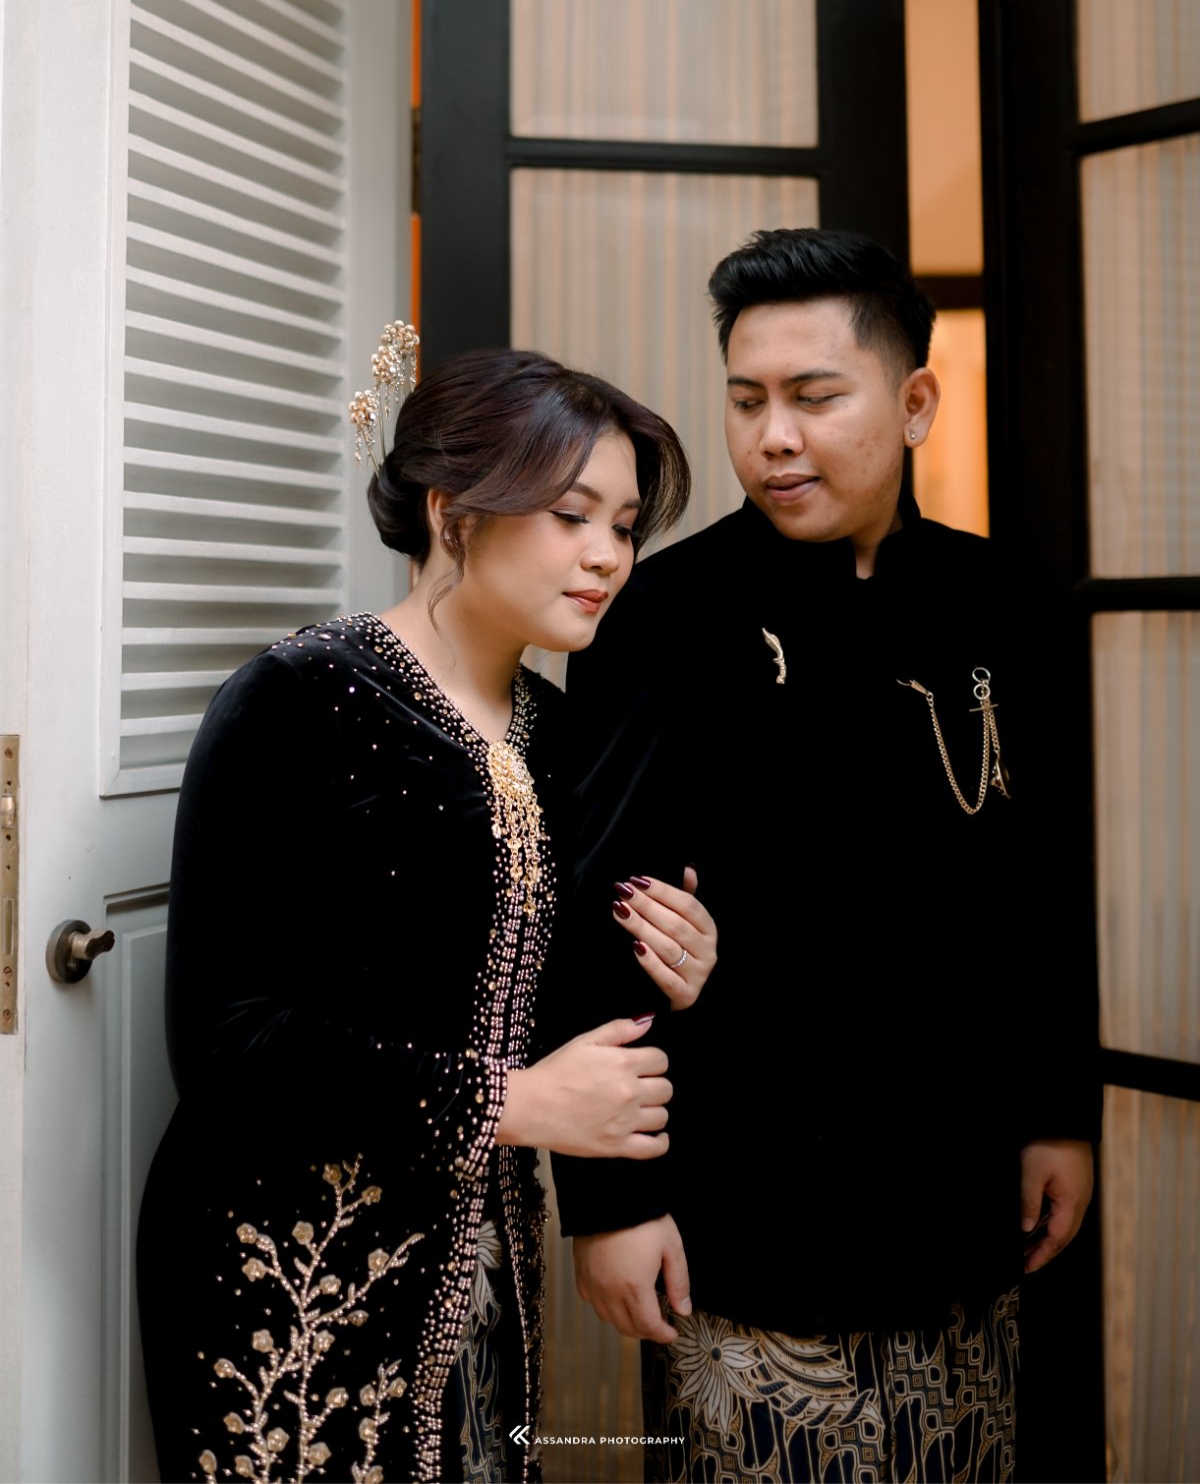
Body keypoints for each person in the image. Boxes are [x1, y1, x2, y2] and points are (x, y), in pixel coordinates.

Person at [553, 230, 1100, 1483]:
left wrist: (1059, 1115)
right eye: (747, 400)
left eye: (813, 396)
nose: (774, 437)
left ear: (913, 404)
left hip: (961, 1192)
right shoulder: (664, 615)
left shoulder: (1001, 602)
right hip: (749, 1209)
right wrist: (611, 1205)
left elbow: (1044, 889)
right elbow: (603, 917)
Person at [136, 340, 718, 1484]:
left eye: (624, 525)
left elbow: (565, 995)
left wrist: (678, 965)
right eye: (572, 515)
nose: (609, 554)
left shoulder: (567, 741)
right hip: (287, 1268)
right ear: (454, 513)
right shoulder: (299, 700)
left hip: (483, 1259)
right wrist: (514, 1101)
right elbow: (226, 1043)